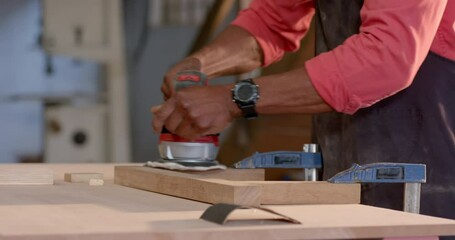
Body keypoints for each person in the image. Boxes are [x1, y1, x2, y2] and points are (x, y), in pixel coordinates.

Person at [152, 0, 455, 223]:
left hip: (434, 185)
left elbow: (385, 59)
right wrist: (200, 65)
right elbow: (271, 20)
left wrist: (233, 100)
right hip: (344, 177)